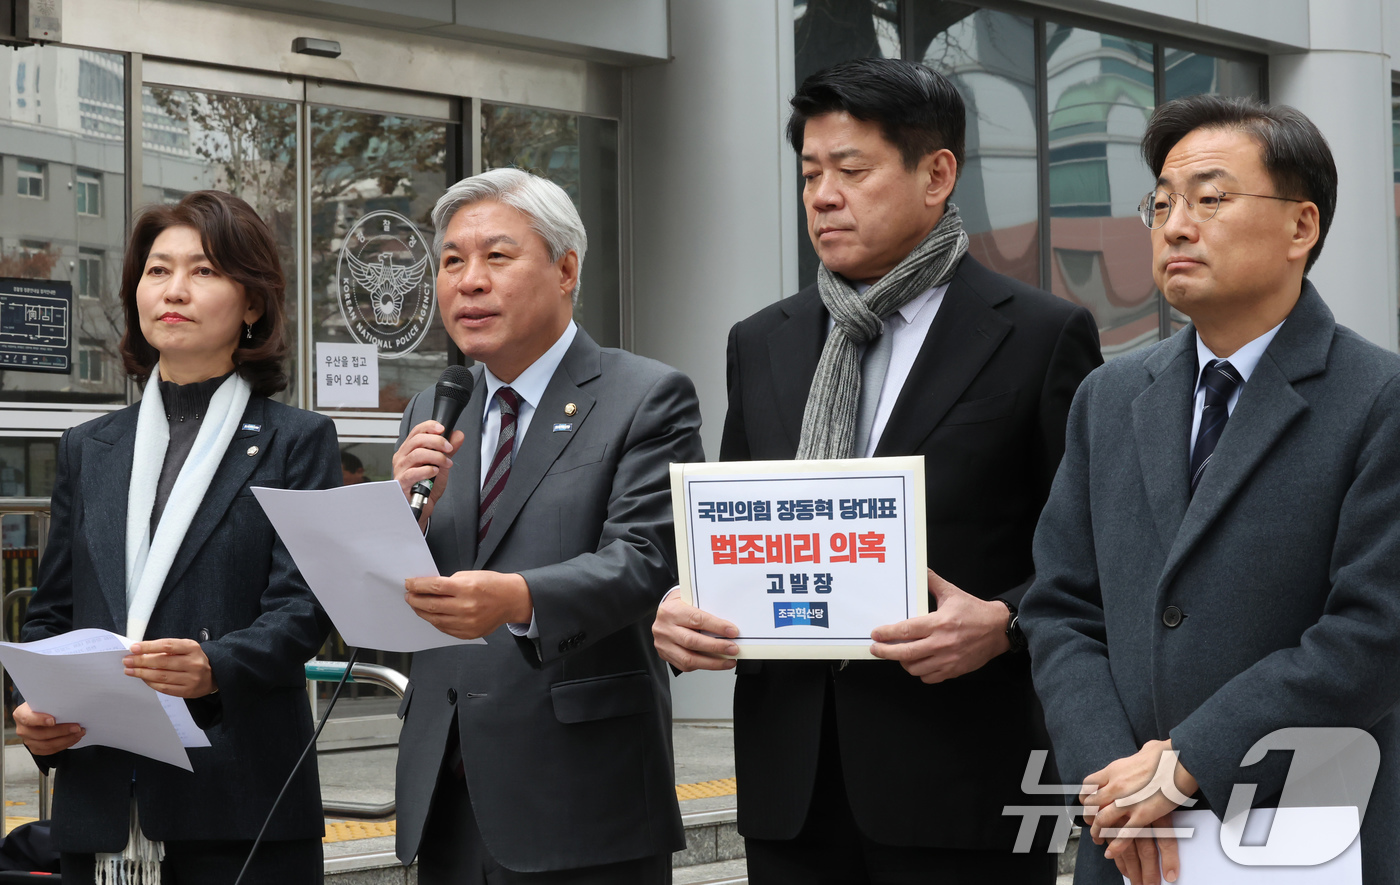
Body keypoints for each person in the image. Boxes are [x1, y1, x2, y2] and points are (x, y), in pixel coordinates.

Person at [653, 58, 1102, 884]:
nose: (822, 195)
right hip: (792, 783)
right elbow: (731, 532)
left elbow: (1095, 554)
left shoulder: (1040, 336)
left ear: (937, 174)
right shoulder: (764, 340)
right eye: (810, 173)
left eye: (850, 170)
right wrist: (683, 610)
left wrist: (1004, 622)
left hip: (965, 783)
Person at [1022, 95, 1400, 885]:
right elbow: (1062, 607)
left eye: (1210, 199)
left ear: (1303, 226)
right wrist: (1114, 782)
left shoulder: (1377, 398)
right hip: (1130, 843)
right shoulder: (1109, 397)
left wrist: (1190, 761)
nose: (1175, 226)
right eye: (1161, 203)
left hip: (1308, 835)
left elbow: (1373, 629)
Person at [390, 167, 704, 884]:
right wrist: (398, 514)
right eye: (451, 261)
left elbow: (647, 559)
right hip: (447, 788)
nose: (468, 281)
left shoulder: (645, 395)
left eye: (496, 256)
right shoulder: (434, 410)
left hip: (581, 794)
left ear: (566, 269)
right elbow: (406, 590)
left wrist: (518, 599)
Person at [15, 191, 339, 883]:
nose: (175, 290)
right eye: (158, 270)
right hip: (100, 800)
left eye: (204, 270)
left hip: (240, 800)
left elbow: (304, 610)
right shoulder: (89, 446)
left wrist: (214, 664)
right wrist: (37, 711)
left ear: (251, 303)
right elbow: (52, 613)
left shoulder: (296, 441)